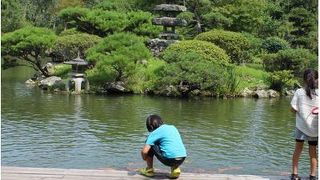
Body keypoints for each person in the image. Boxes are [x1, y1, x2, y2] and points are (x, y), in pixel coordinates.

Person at [290, 69, 318, 180]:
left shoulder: (299, 92)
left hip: (301, 126)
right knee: (313, 151)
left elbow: (293, 109)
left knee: (298, 149)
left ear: (303, 79)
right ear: (317, 79)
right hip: (314, 128)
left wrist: (300, 111)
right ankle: (313, 176)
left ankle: (295, 175)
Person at [139, 114, 187, 178]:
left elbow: (144, 152)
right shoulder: (173, 127)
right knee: (170, 145)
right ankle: (175, 170)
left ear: (151, 126)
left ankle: (149, 170)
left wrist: (144, 158)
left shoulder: (154, 132)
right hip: (182, 158)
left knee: (151, 144)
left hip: (169, 160)